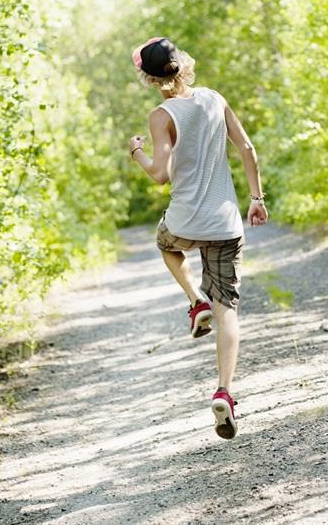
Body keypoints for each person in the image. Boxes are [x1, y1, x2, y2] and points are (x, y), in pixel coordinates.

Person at [129, 37, 268, 439]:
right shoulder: (213, 98)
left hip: (185, 221)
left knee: (165, 244)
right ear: (183, 65)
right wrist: (256, 199)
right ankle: (224, 391)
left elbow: (160, 174)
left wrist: (136, 151)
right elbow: (247, 148)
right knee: (229, 310)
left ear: (151, 79)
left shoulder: (161, 115)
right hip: (225, 223)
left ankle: (195, 300)